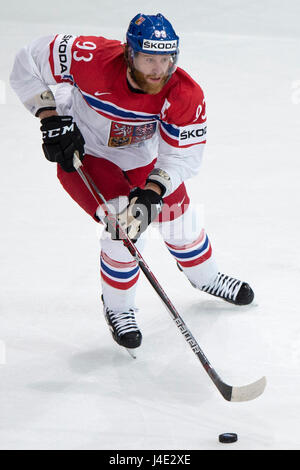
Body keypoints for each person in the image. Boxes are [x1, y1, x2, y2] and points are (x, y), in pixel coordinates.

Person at [10, 13, 254, 352]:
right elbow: (27, 60)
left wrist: (153, 192)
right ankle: (120, 309)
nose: (158, 68)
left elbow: (181, 155)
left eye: (165, 58)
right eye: (148, 58)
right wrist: (49, 117)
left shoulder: (184, 94)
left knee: (180, 220)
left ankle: (206, 277)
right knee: (120, 226)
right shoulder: (88, 56)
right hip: (89, 154)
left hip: (142, 157)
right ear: (130, 54)